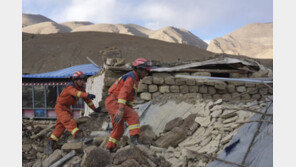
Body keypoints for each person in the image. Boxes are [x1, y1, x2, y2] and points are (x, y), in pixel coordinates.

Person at [44, 71, 101, 154]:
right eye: (81, 80)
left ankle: (51, 143)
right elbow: (77, 93)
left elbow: (88, 100)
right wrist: (87, 94)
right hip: (60, 107)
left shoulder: (81, 89)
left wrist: (94, 109)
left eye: (83, 80)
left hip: (66, 108)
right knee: (68, 120)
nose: (83, 82)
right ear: (75, 80)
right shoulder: (70, 88)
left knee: (60, 127)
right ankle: (78, 135)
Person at [105, 58, 151, 152]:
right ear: (139, 69)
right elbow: (123, 93)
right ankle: (134, 142)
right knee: (133, 115)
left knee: (119, 130)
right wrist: (121, 110)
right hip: (114, 102)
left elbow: (129, 98)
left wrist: (126, 108)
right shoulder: (131, 78)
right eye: (145, 71)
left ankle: (109, 148)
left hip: (113, 102)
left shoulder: (134, 79)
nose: (146, 74)